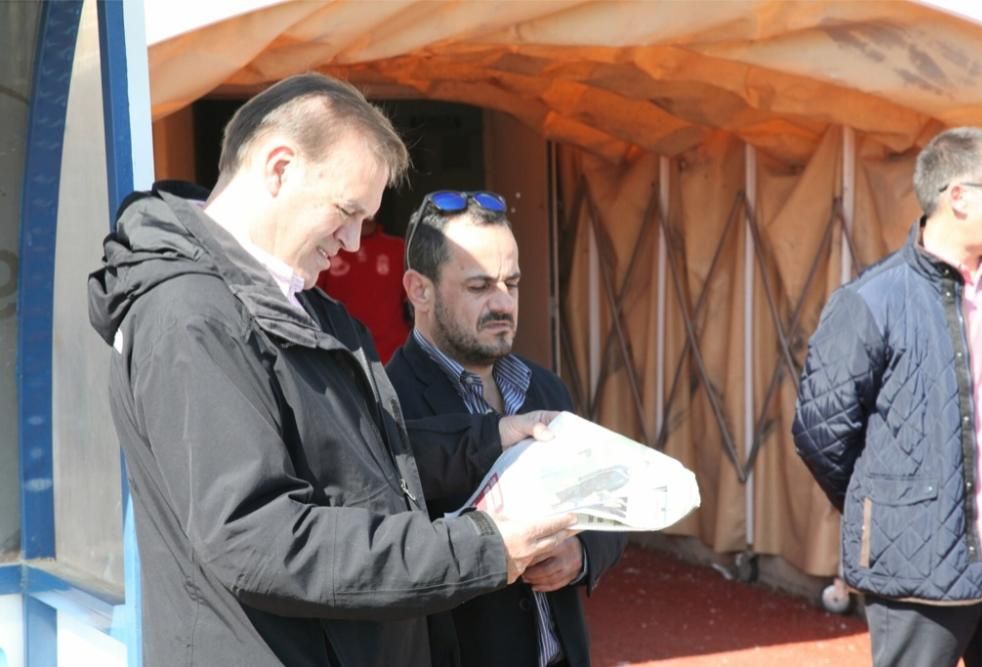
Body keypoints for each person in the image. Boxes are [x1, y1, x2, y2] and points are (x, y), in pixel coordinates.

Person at [87, 74, 578, 667]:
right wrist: (482, 547)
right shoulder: (191, 316)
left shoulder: (300, 301)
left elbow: (359, 460)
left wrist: (487, 441)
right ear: (280, 167)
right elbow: (259, 539)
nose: (351, 241)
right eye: (346, 212)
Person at [386, 191, 625, 667]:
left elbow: (614, 502)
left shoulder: (546, 389)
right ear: (419, 290)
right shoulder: (387, 403)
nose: (503, 303)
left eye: (511, 283)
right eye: (479, 287)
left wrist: (582, 554)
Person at [793, 127, 982, 667]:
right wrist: (890, 507)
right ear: (959, 196)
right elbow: (822, 434)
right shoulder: (872, 301)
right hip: (919, 561)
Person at [316, 217, 410, 363]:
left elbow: (415, 305)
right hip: (342, 355)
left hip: (392, 356)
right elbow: (311, 300)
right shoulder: (329, 248)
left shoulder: (398, 248)